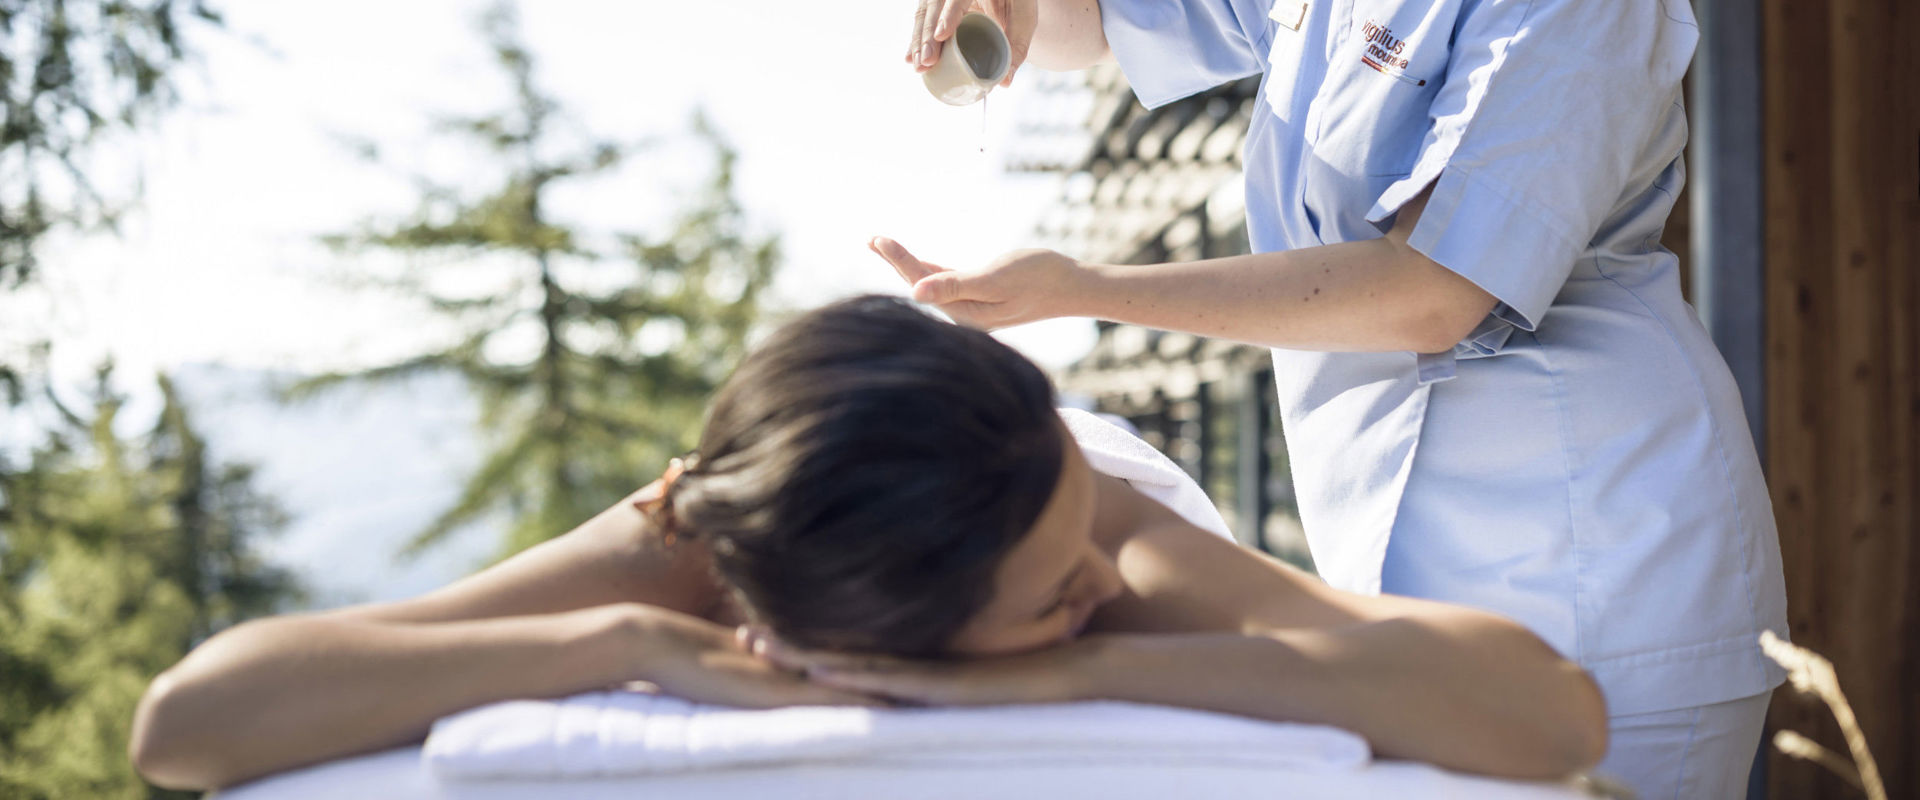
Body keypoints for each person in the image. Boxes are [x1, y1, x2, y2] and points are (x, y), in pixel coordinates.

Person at [130, 295, 1604, 791]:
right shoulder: (681, 546)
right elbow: (189, 726)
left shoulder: (1106, 534)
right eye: (1045, 601)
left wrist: (1065, 674)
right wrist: (625, 646)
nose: (1086, 587)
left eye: (1066, 564)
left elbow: (1549, 715)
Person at [884, 1, 1788, 795]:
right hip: (1403, 568)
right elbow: (1111, 21)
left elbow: (1435, 289)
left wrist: (1082, 288)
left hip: (1596, 556)